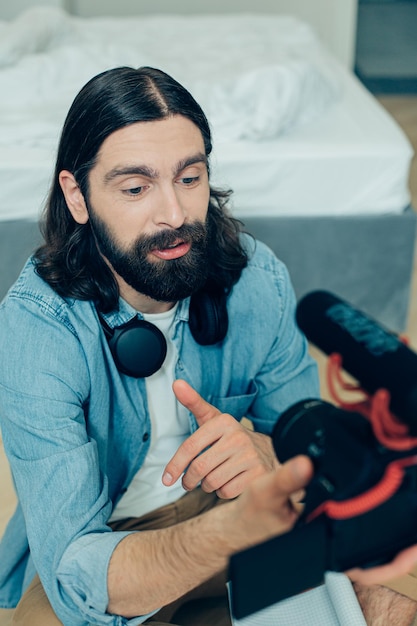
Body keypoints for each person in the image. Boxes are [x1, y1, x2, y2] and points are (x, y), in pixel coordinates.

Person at [0, 66, 416, 626]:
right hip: (111, 537)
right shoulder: (37, 326)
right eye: (135, 188)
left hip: (243, 511)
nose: (174, 214)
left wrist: (269, 458)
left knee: (386, 606)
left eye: (190, 178)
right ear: (77, 196)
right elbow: (77, 572)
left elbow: (303, 452)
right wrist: (224, 533)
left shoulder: (258, 278)